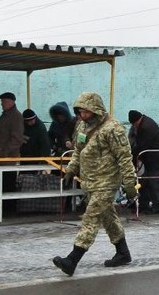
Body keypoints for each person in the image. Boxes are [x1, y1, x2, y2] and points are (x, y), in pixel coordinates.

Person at [52, 92, 138, 276]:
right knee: (108, 218)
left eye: (86, 112)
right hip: (90, 181)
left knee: (90, 218)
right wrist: (71, 170)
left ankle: (72, 259)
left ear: (96, 110)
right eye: (80, 112)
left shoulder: (113, 128)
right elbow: (78, 150)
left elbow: (124, 157)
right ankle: (123, 253)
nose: (82, 115)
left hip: (106, 182)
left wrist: (130, 183)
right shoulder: (83, 126)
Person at [128, 110, 159, 214]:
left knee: (153, 183)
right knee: (144, 182)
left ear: (138, 120)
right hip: (149, 159)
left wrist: (133, 157)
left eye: (135, 124)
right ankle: (143, 205)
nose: (134, 126)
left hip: (155, 160)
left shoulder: (146, 127)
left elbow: (142, 145)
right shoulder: (144, 123)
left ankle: (156, 206)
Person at [0, 92, 23, 213]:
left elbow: (17, 138)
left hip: (8, 157)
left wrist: (5, 152)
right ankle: (4, 208)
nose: (1, 104)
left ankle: (9, 209)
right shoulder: (7, 115)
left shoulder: (15, 116)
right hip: (1, 156)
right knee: (3, 184)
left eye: (4, 101)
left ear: (11, 102)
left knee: (8, 183)